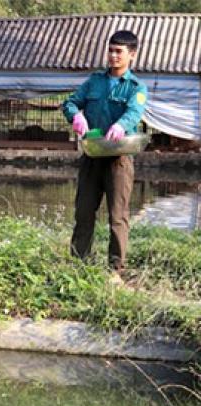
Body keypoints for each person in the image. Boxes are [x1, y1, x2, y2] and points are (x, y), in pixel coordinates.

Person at [62, 30, 148, 275]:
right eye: (110, 50)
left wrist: (121, 125)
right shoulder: (94, 81)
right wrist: (75, 115)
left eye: (118, 51)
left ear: (132, 55)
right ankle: (78, 266)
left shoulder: (136, 87)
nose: (113, 55)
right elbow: (70, 102)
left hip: (118, 159)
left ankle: (116, 270)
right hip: (91, 155)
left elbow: (134, 112)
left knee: (117, 217)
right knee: (84, 212)